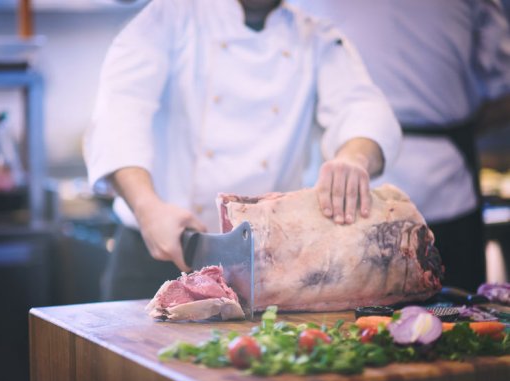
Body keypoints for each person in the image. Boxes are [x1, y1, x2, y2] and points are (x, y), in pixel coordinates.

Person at [84, 0, 401, 300]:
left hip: (267, 265)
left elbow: (362, 107)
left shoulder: (316, 35)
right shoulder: (170, 15)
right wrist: (147, 207)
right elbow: (120, 110)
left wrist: (354, 157)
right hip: (159, 251)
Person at [291, 0, 510, 291]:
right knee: (458, 318)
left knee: (366, 323)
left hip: (382, 194)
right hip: (382, 185)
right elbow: (503, 87)